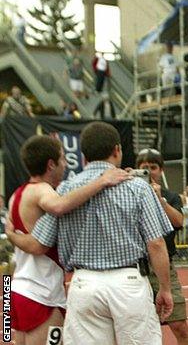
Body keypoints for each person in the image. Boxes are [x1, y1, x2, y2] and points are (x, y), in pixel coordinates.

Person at [6, 122, 175, 344]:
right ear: (117, 150)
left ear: (84, 157)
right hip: (127, 283)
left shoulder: (65, 190)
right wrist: (164, 288)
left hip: (80, 284)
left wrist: (11, 235)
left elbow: (40, 242)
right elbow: (156, 243)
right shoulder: (137, 187)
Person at [4, 134, 130, 344]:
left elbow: (33, 242)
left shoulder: (16, 194)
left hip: (19, 287)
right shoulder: (41, 190)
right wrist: (101, 181)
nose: (66, 164)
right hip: (41, 293)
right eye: (63, 159)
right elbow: (59, 207)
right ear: (51, 164)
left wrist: (10, 236)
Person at [136, 148, 188, 345]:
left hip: (162, 266)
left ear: (161, 170)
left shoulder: (171, 197)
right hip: (135, 268)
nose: (149, 172)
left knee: (179, 323)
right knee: (137, 327)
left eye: (153, 167)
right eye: (144, 168)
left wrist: (160, 201)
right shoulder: (129, 194)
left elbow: (179, 221)